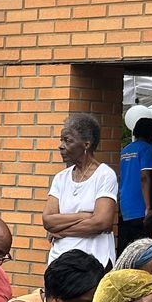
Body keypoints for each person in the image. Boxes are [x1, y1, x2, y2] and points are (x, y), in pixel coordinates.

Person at [41, 112, 119, 270]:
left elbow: (102, 222)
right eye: (61, 140)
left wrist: (62, 230)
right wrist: (85, 216)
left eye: (68, 140)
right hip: (59, 260)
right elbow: (48, 220)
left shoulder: (104, 175)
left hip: (93, 261)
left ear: (87, 144)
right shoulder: (60, 178)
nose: (61, 146)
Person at [117, 115, 152, 245]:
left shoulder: (126, 150)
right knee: (143, 245)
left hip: (125, 205)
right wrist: (148, 207)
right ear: (151, 133)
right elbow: (144, 176)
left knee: (127, 244)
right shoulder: (147, 149)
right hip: (141, 205)